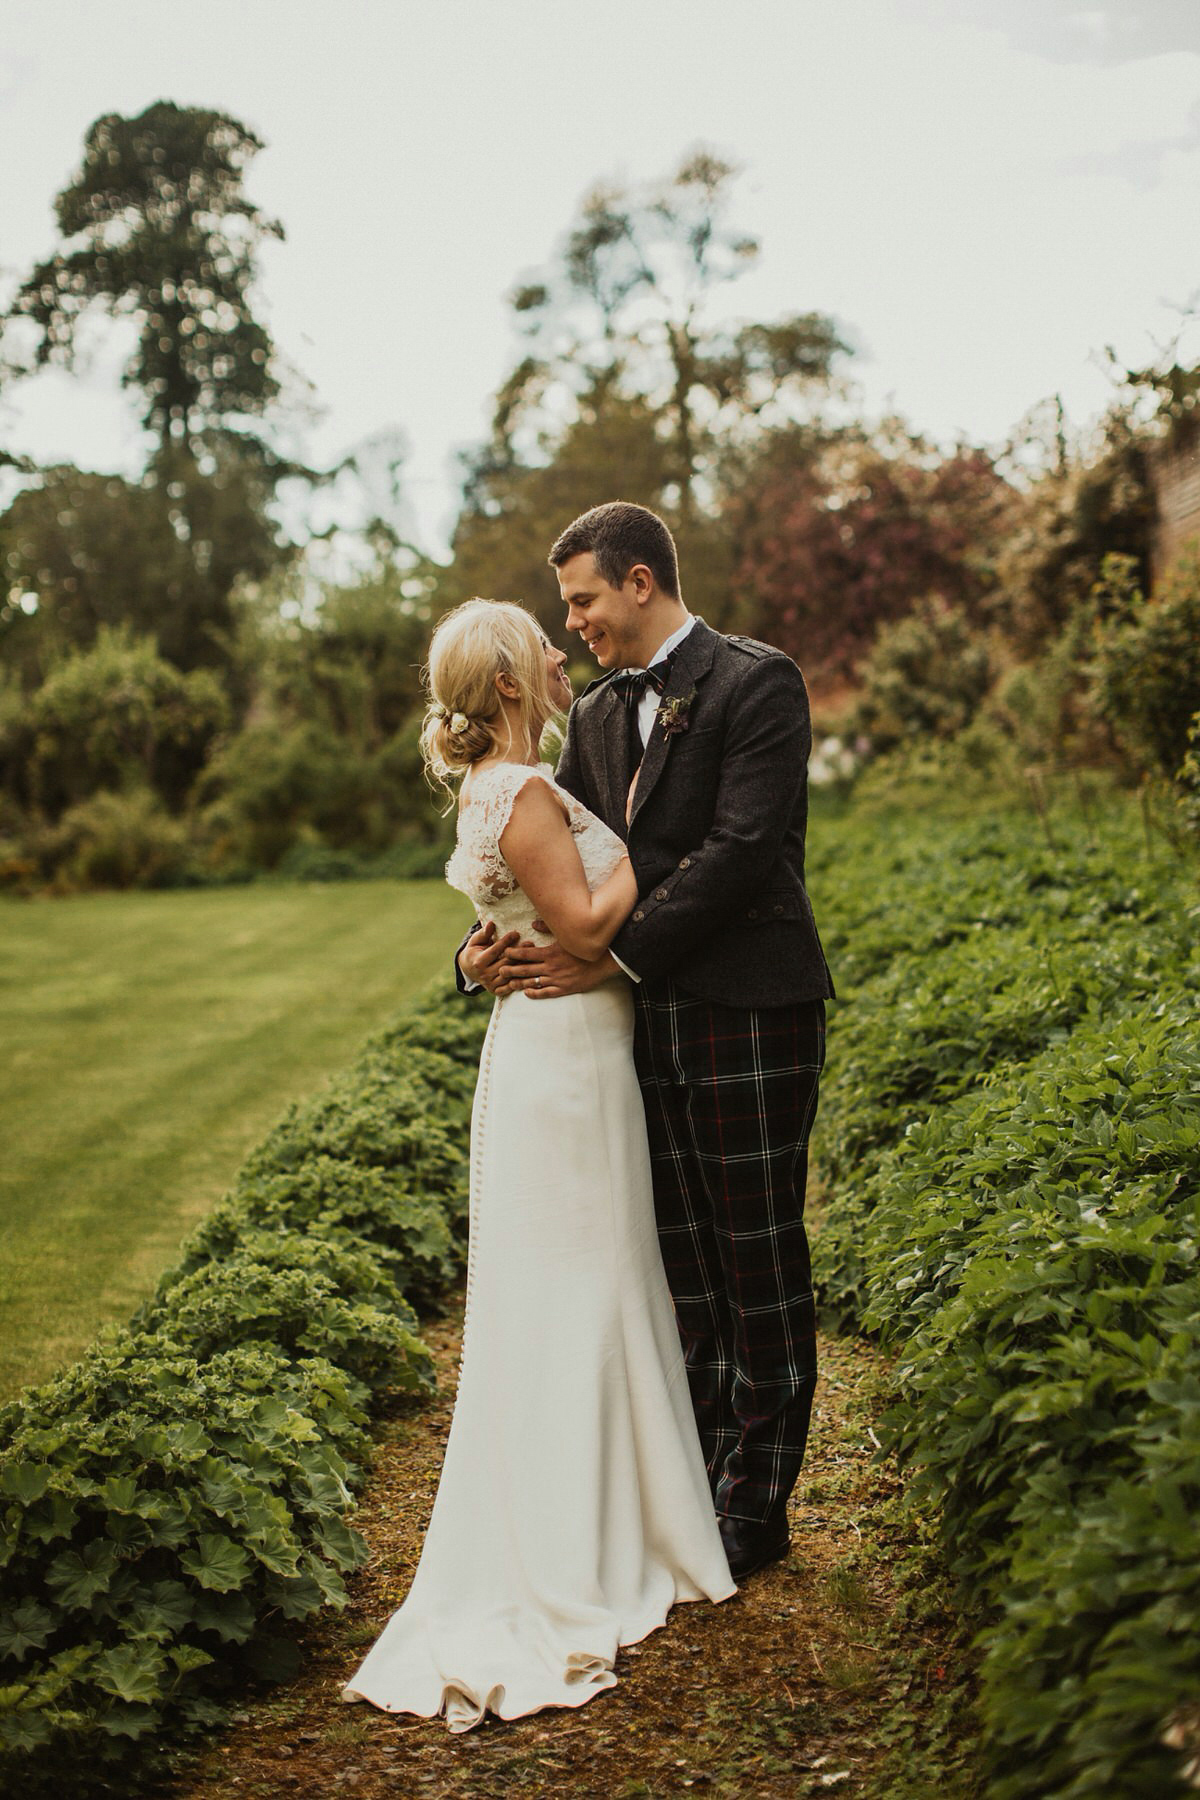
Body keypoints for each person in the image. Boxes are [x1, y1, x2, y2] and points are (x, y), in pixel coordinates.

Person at [341, 598, 734, 1734]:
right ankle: (593, 1537)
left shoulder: (502, 788)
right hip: (565, 1061)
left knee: (596, 1280)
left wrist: (552, 937)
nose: (562, 652)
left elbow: (539, 924)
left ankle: (626, 1505)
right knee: (584, 1284)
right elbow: (587, 924)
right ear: (512, 682)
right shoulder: (518, 794)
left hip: (561, 1053)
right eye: (542, 644)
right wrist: (653, 876)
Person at [459, 502, 834, 1584]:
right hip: (641, 1027)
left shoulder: (759, 683)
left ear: (636, 581)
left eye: (580, 598)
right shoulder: (603, 714)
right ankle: (698, 1477)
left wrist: (612, 959)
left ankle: (756, 1506)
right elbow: (553, 859)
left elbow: (741, 853)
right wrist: (481, 951)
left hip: (750, 1007)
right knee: (680, 1263)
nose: (570, 621)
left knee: (753, 1254)